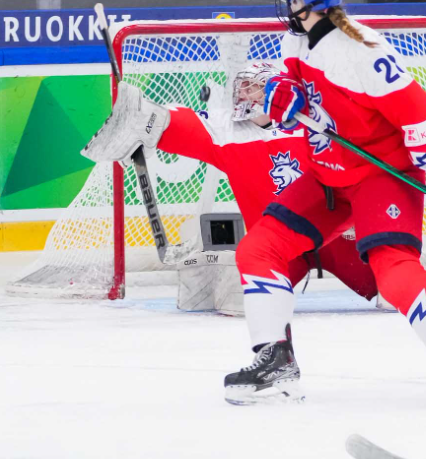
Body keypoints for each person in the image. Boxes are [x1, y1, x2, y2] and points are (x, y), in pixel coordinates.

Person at [228, 0, 426, 407]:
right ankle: (275, 362)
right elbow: (305, 96)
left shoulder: (364, 52)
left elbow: (420, 114)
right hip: (327, 174)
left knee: (394, 273)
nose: (283, 5)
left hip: (382, 175)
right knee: (258, 250)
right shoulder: (295, 43)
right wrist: (287, 100)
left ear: (303, 2)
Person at [80, 64, 379, 310]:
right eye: (242, 87)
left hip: (339, 235)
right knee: (239, 303)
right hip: (278, 244)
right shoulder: (225, 129)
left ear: (277, 91)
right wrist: (140, 115)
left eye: (253, 86)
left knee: (393, 286)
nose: (243, 94)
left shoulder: (316, 123)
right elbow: (174, 122)